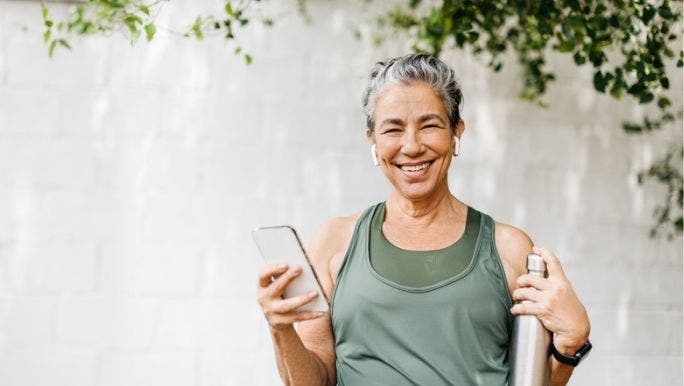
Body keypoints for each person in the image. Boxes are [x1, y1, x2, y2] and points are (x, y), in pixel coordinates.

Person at [256, 54, 591, 386]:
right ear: (372, 140)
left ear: (456, 131)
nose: (412, 146)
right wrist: (280, 328)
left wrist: (570, 343)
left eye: (429, 125)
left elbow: (531, 383)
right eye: (393, 129)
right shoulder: (334, 243)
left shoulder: (509, 248)